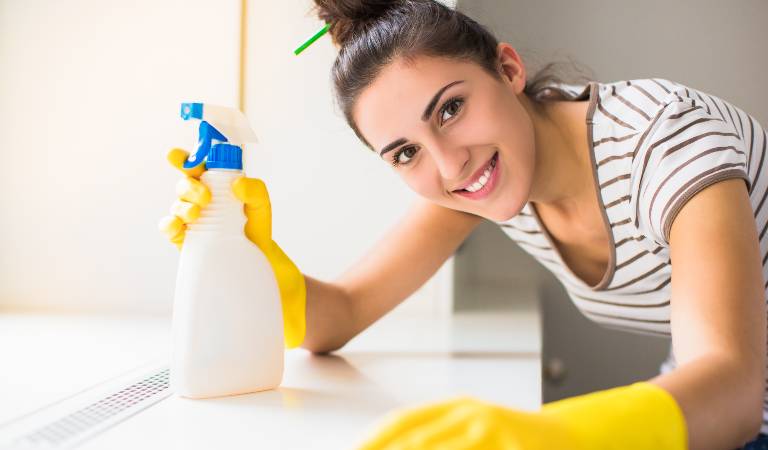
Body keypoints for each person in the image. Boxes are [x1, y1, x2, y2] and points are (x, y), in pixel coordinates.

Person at [159, 0, 768, 449]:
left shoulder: (667, 143)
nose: (449, 164)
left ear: (507, 70)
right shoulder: (484, 178)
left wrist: (543, 435)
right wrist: (250, 254)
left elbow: (735, 391)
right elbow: (340, 315)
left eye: (451, 109)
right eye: (405, 152)